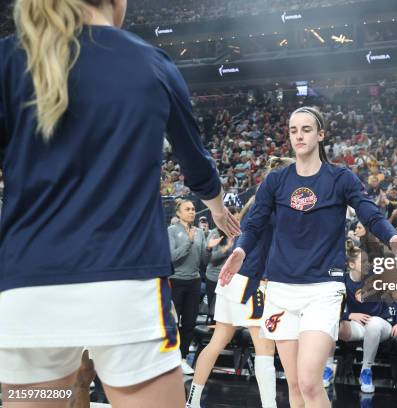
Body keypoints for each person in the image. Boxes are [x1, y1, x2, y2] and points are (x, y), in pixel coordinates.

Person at [0, 1, 240, 407]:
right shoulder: (150, 63)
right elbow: (197, 166)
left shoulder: (9, 57)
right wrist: (216, 207)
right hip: (125, 291)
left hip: (27, 293)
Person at [219, 106, 397, 408]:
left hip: (322, 290)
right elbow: (253, 224)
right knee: (293, 384)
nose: (299, 136)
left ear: (320, 134)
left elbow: (368, 212)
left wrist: (392, 237)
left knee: (309, 382)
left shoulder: (340, 178)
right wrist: (240, 250)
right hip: (280, 290)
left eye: (306, 129)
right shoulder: (276, 181)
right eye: (293, 130)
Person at [186, 157, 294, 408]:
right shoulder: (273, 204)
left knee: (218, 341)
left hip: (233, 279)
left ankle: (192, 402)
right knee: (265, 347)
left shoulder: (256, 201)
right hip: (250, 280)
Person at [323, 246, 397, 393]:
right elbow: (329, 305)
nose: (369, 264)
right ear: (351, 264)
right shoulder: (342, 280)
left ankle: (366, 371)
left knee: (373, 323)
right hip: (357, 325)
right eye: (364, 261)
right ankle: (328, 367)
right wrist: (349, 316)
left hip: (381, 323)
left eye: (369, 261)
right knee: (332, 322)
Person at [168, 199, 210, 375]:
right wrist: (188, 242)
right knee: (173, 323)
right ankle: (171, 358)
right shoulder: (171, 231)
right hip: (176, 281)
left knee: (190, 323)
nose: (192, 212)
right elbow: (171, 257)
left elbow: (202, 262)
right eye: (187, 209)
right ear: (178, 213)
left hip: (194, 281)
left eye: (193, 209)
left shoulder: (200, 232)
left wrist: (208, 249)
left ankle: (183, 358)